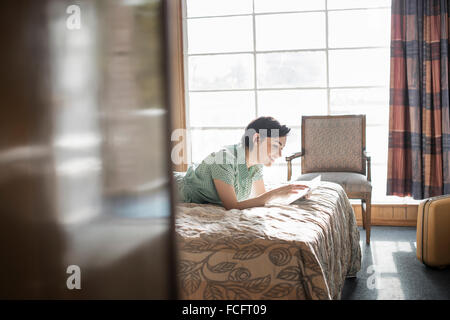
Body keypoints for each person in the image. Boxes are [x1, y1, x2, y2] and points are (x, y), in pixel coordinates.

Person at [174, 116, 308, 210]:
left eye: (281, 149)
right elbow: (232, 206)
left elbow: (261, 197)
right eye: (275, 146)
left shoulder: (255, 165)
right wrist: (275, 193)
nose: (279, 155)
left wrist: (294, 195)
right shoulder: (224, 159)